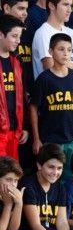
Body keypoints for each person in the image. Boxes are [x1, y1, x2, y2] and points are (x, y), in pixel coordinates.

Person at [30, 33, 73, 179]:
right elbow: (34, 107)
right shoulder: (44, 79)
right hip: (51, 138)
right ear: (50, 51)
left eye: (69, 50)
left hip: (72, 137)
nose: (66, 53)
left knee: (70, 176)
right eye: (61, 49)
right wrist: (36, 138)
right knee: (50, 177)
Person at [0, 155, 73, 230]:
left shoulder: (12, 196)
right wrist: (8, 206)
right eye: (8, 179)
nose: (13, 185)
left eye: (15, 180)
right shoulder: (11, 197)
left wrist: (18, 204)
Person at [0, 15, 27, 159]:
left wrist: (26, 127)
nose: (18, 41)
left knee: (12, 172)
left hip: (15, 130)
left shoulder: (17, 61)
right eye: (14, 36)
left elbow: (24, 96)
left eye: (20, 36)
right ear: (1, 34)